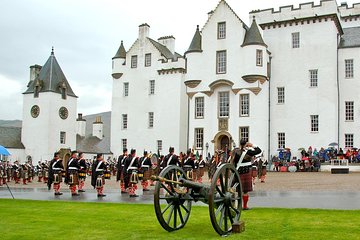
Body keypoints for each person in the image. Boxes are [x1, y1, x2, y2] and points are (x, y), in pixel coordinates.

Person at [230, 140, 261, 210]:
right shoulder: (248, 152)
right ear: (246, 144)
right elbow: (259, 150)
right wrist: (252, 145)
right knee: (245, 191)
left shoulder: (235, 151)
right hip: (246, 172)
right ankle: (244, 206)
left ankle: (236, 206)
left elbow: (232, 161)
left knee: (235, 190)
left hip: (237, 172)